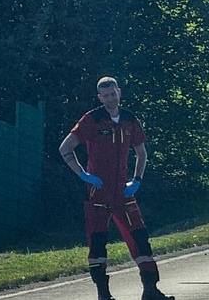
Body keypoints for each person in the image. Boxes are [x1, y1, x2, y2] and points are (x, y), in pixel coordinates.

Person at [59, 77, 173, 300]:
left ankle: (151, 290)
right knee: (98, 240)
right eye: (106, 95)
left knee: (139, 236)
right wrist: (83, 175)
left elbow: (141, 153)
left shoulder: (130, 119)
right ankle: (104, 294)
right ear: (100, 97)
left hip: (122, 191)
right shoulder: (92, 119)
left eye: (113, 94)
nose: (110, 98)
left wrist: (137, 180)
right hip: (98, 192)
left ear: (119, 92)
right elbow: (65, 149)